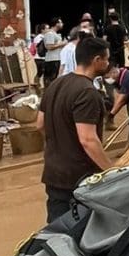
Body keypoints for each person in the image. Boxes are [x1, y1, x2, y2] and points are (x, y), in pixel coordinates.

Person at [36, 37, 113, 223]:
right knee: (78, 236)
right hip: (78, 179)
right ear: (96, 60)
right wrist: (112, 172)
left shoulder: (55, 84)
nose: (108, 63)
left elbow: (39, 124)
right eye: (107, 59)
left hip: (53, 174)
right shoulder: (87, 92)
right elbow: (88, 140)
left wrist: (60, 144)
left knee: (55, 233)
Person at [42, 18, 67, 86]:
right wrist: (62, 43)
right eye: (61, 22)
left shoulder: (55, 34)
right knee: (52, 79)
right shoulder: (50, 33)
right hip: (52, 60)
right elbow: (49, 46)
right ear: (56, 24)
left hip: (57, 59)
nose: (62, 24)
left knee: (56, 79)